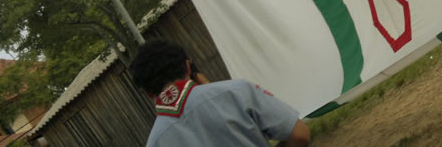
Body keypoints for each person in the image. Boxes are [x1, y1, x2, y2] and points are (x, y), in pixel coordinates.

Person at [129, 39, 310, 147]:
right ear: (187, 66)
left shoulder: (155, 142)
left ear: (147, 93)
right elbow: (299, 134)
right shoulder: (237, 90)